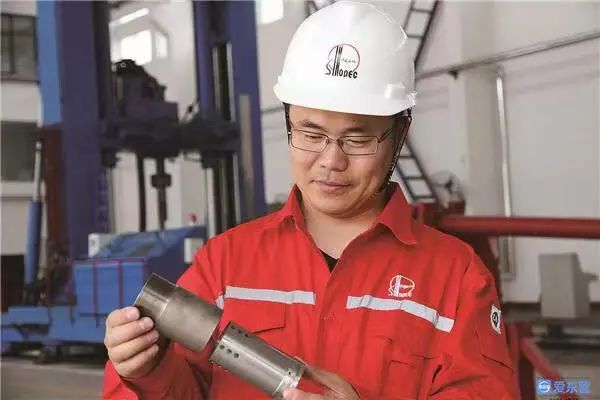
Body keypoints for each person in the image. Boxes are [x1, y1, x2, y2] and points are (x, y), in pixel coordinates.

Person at [103, 2, 517, 399]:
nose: (331, 161)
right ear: (288, 124)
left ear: (399, 135)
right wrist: (146, 372)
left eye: (357, 139)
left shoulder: (456, 279)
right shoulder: (225, 267)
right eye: (311, 134)